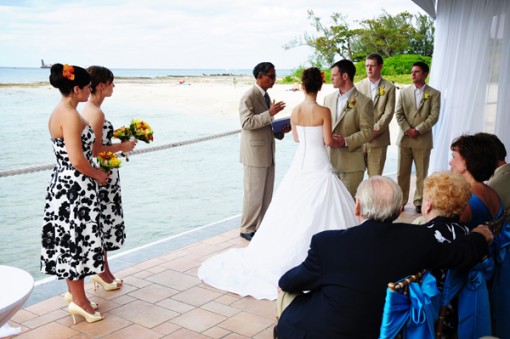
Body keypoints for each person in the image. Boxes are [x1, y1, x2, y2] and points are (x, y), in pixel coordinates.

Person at [198, 67, 357, 300]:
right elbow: (327, 141)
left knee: (291, 208)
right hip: (318, 162)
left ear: (303, 86)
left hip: (300, 165)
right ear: (319, 87)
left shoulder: (296, 111)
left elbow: (295, 138)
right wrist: (336, 140)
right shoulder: (323, 110)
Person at [275, 176, 492, 339]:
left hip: (328, 332)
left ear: (357, 206)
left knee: (284, 293)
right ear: (399, 211)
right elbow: (462, 255)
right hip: (390, 329)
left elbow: (288, 282)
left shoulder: (327, 243)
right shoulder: (420, 240)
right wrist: (478, 236)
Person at [41, 63, 109, 324]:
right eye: (88, 87)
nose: (90, 91)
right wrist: (98, 174)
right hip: (73, 188)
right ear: (77, 89)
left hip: (73, 186)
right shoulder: (68, 115)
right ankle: (79, 301)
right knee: (74, 243)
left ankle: (76, 295)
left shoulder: (67, 110)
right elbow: (77, 159)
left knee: (76, 241)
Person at [81, 66, 137, 291]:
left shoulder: (89, 109)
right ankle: (102, 271)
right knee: (102, 222)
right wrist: (121, 146)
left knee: (101, 223)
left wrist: (116, 139)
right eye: (112, 83)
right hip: (101, 173)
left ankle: (103, 270)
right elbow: (94, 150)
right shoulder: (95, 111)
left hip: (101, 171)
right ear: (101, 85)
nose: (114, 87)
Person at [239, 62, 287, 241]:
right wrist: (270, 113)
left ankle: (261, 226)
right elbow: (246, 123)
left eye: (274, 76)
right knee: (253, 192)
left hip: (267, 150)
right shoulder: (249, 96)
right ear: (260, 76)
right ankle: (247, 228)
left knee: (266, 193)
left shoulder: (266, 95)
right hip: (254, 153)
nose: (274, 80)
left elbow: (265, 124)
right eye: (271, 76)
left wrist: (280, 130)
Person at [324, 59, 374, 197]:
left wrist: (345, 141)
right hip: (328, 164)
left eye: (334, 75)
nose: (331, 78)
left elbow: (368, 132)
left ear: (345, 76)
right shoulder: (327, 99)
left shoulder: (364, 102)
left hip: (351, 166)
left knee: (349, 208)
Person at [395, 61, 440, 214]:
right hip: (405, 138)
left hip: (423, 140)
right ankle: (400, 201)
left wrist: (418, 130)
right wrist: (408, 129)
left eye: (417, 71)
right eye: (412, 71)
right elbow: (398, 114)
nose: (413, 74)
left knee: (422, 173)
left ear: (425, 74)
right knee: (402, 173)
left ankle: (419, 201)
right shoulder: (403, 92)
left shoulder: (434, 93)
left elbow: (434, 116)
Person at [449, 134, 503, 228]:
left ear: (467, 161)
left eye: (454, 157)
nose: (450, 162)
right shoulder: (491, 191)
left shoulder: (466, 199)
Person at [355, 53, 396, 176]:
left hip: (379, 139)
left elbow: (388, 112)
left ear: (380, 66)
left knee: (375, 178)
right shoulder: (358, 86)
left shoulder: (389, 87)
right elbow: (354, 112)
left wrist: (375, 130)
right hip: (360, 139)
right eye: (367, 66)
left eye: (372, 66)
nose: (369, 69)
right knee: (356, 175)